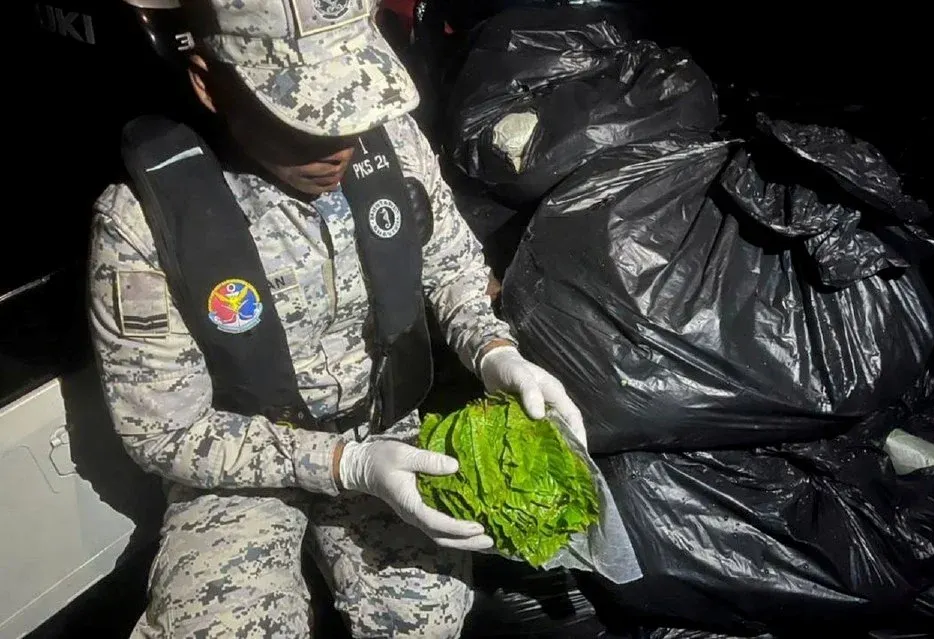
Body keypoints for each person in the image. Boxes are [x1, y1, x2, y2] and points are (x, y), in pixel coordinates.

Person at [88, 1, 587, 637]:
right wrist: (341, 465)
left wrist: (494, 350)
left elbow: (451, 267)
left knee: (423, 620)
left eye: (353, 110)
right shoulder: (142, 222)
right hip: (239, 467)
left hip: (386, 430)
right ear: (208, 84)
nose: (340, 145)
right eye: (302, 116)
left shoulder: (394, 142)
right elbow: (164, 433)